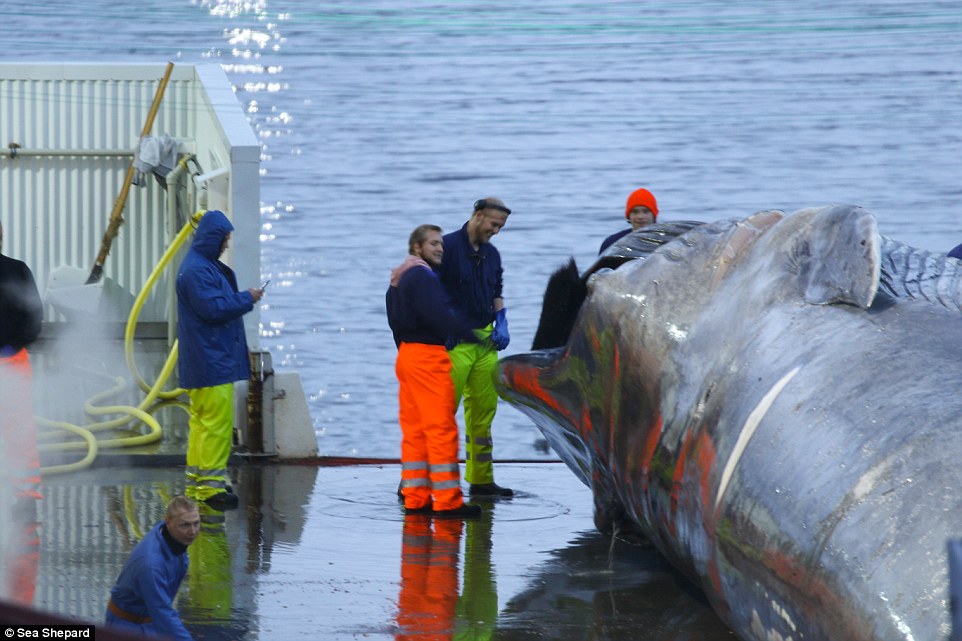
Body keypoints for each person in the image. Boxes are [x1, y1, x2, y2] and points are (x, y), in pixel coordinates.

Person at [387, 224, 482, 518]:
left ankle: (416, 497)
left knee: (415, 431)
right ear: (417, 247)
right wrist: (471, 334)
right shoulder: (424, 277)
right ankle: (448, 501)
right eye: (433, 244)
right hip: (428, 357)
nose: (440, 248)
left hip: (407, 355)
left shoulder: (399, 278)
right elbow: (442, 313)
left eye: (441, 244)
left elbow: (394, 320)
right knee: (441, 429)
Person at [176, 210, 264, 511]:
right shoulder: (200, 271)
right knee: (216, 425)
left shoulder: (199, 267)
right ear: (214, 238)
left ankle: (199, 484)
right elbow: (214, 310)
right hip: (212, 363)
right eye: (225, 239)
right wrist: (247, 298)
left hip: (206, 361)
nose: (227, 245)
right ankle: (211, 489)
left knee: (202, 424)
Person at [438, 198, 513, 498]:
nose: (496, 231)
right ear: (478, 216)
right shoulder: (445, 249)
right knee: (441, 415)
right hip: (454, 343)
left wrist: (502, 320)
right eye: (494, 224)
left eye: (501, 227)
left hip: (485, 342)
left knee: (483, 413)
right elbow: (430, 294)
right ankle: (418, 483)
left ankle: (481, 481)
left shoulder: (492, 254)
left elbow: (497, 291)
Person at [105, 496, 201, 641]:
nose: (192, 531)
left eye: (196, 523)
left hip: (149, 621)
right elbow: (163, 614)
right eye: (185, 525)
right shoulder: (151, 565)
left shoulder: (171, 540)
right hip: (125, 627)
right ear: (168, 521)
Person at [0, 221, 44, 506]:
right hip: (14, 361)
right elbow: (34, 319)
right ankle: (25, 494)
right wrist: (13, 344)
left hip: (13, 360)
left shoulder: (17, 271)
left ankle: (25, 492)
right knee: (19, 432)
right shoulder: (17, 270)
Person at [598, 187, 659, 254]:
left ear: (654, 216)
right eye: (635, 212)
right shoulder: (611, 243)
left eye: (645, 211)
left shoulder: (666, 242)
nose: (640, 217)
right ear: (628, 216)